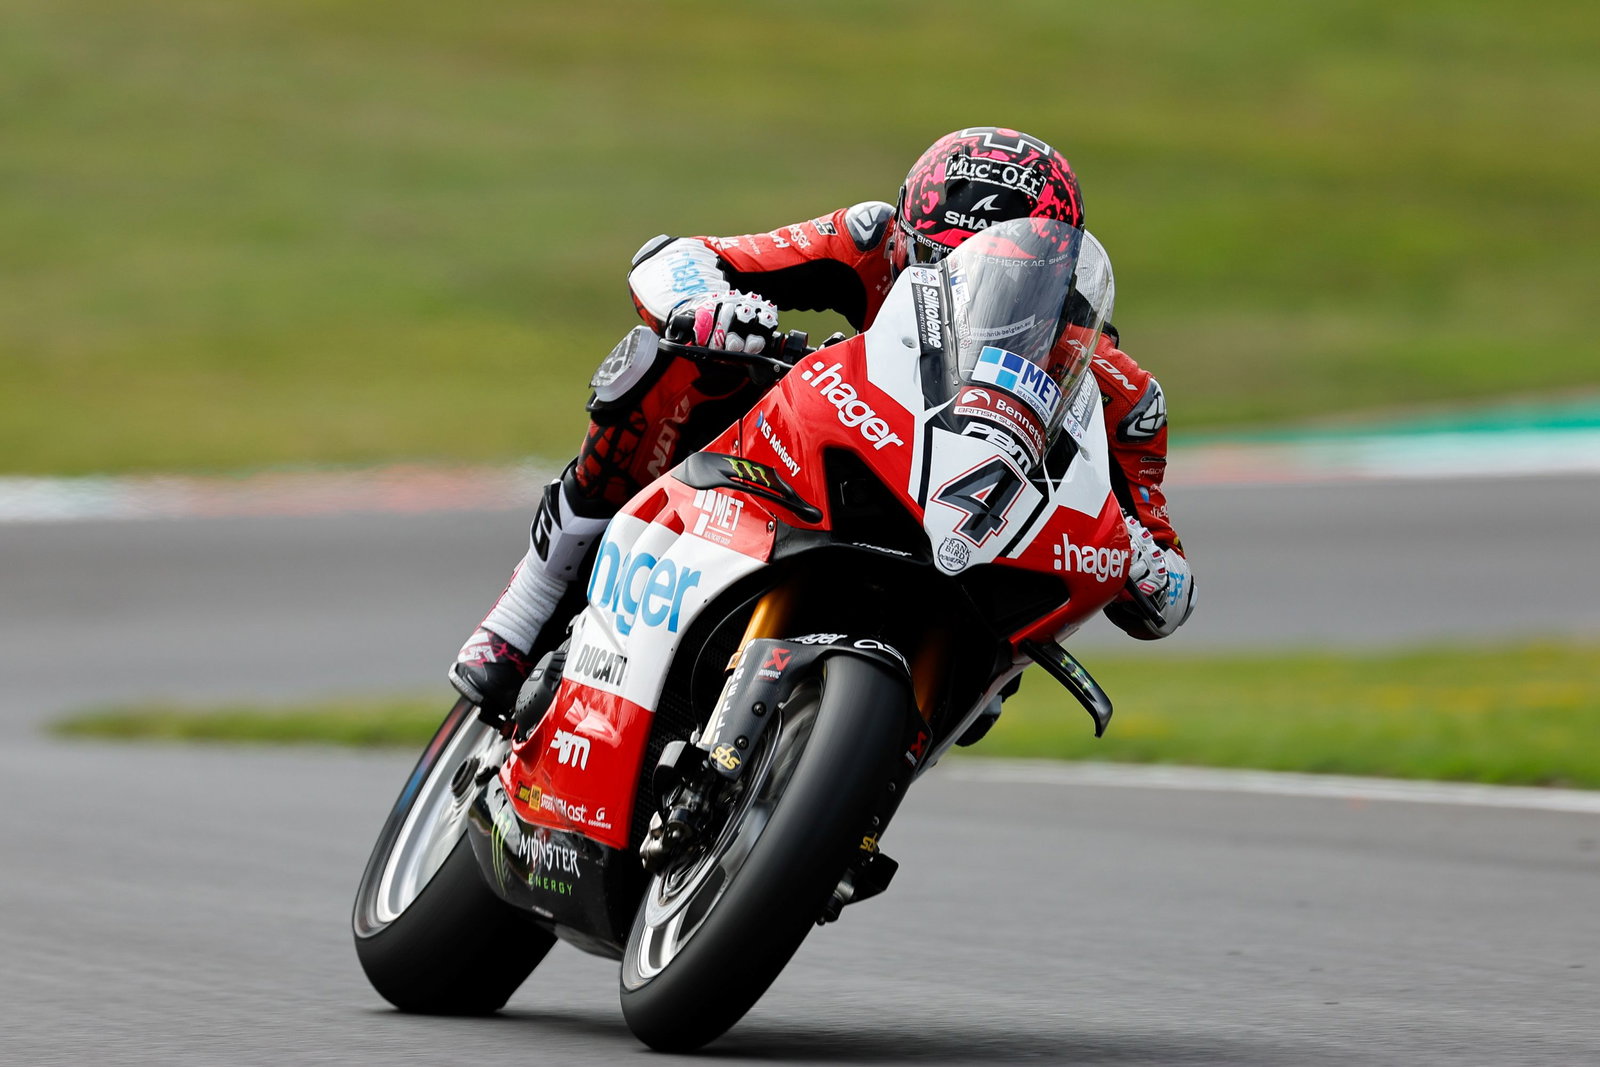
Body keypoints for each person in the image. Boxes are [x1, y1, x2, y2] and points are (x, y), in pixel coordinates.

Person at [450, 127, 1196, 715]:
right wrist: (710, 310)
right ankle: (534, 598)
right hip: (832, 460)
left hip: (970, 557)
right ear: (907, 238)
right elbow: (676, 258)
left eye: (1001, 280)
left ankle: (839, 807)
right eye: (936, 263)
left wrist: (1134, 555)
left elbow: (1170, 593)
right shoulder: (871, 241)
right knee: (666, 362)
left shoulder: (1117, 391)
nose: (959, 289)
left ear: (1054, 278)